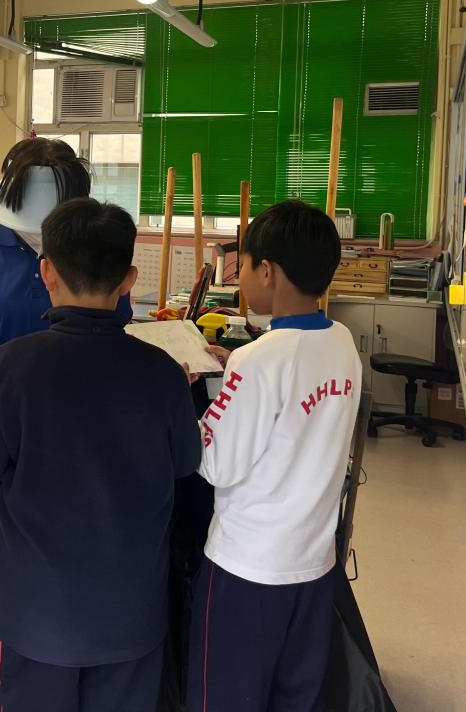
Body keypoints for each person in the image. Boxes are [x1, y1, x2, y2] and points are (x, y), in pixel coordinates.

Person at [0, 198, 202, 712]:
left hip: (34, 610)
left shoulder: (8, 368)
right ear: (129, 280)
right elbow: (185, 464)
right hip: (131, 611)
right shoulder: (163, 374)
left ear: (46, 272)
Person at [0, 137, 129, 711]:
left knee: (48, 553)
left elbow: (113, 321)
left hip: (66, 439)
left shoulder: (89, 244)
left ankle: (40, 655)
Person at [187, 199, 363, 712]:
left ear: (267, 270)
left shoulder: (258, 359)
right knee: (294, 695)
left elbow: (216, 463)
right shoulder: (342, 342)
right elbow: (295, 403)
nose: (240, 277)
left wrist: (188, 402)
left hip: (246, 568)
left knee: (225, 696)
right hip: (312, 563)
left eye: (241, 266)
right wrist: (234, 373)